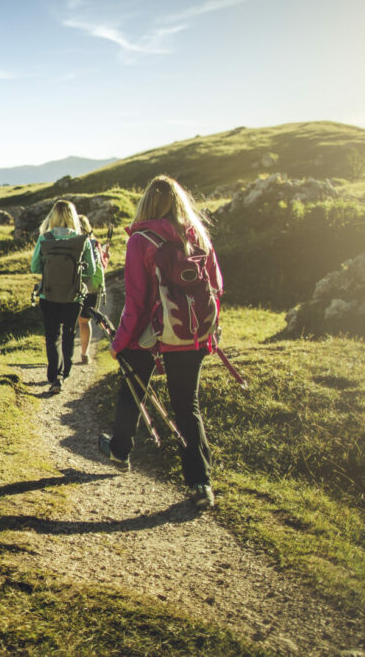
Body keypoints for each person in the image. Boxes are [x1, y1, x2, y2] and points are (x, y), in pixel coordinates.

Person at [99, 175, 223, 508]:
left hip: (149, 335)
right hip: (192, 335)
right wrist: (206, 331)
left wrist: (120, 341)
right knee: (187, 407)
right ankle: (200, 484)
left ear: (147, 204)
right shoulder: (197, 236)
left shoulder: (141, 240)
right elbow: (217, 287)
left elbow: (137, 301)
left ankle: (120, 452)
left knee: (133, 391)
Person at [30, 200, 102, 394]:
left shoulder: (44, 239)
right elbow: (91, 270)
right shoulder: (82, 240)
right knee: (69, 333)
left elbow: (35, 267)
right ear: (73, 216)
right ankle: (66, 372)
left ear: (52, 217)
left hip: (49, 294)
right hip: (73, 297)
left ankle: (55, 376)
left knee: (53, 336)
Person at [77, 214, 107, 364]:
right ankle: (84, 353)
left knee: (70, 322)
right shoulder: (95, 243)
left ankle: (65, 355)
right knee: (85, 321)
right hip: (93, 287)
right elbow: (102, 265)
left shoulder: (73, 242)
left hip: (75, 285)